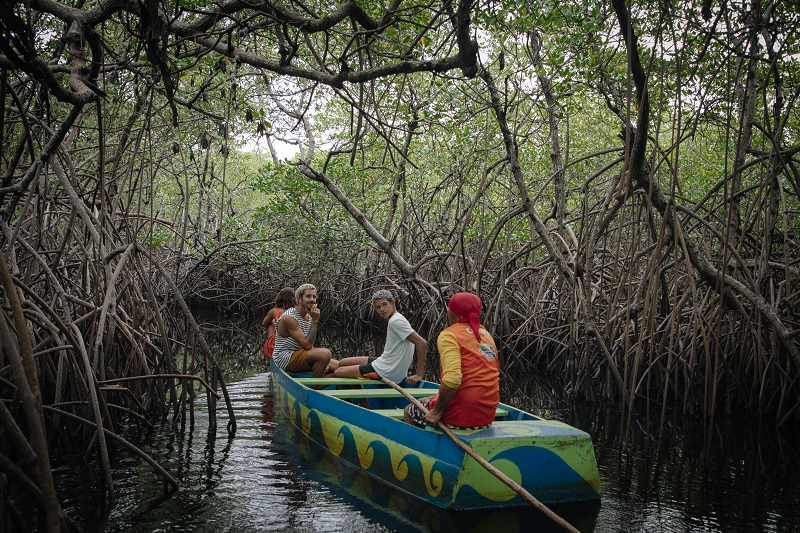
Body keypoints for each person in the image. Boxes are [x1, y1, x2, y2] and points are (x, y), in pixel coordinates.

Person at [404, 292, 500, 430]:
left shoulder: (449, 335)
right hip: (487, 413)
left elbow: (453, 379)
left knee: (410, 411)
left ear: (451, 312)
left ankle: (422, 448)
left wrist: (437, 411)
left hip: (461, 414)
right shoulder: (486, 335)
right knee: (427, 400)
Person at [327, 290, 428, 385]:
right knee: (342, 363)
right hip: (384, 363)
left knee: (338, 372)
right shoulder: (397, 318)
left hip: (387, 372)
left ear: (393, 303)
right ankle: (326, 367)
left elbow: (422, 343)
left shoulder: (396, 322)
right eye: (378, 307)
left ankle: (317, 386)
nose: (382, 309)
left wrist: (419, 374)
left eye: (384, 304)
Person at [272, 283, 332, 377]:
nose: (312, 299)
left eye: (314, 297)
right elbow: (307, 345)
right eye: (308, 296)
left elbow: (309, 343)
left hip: (301, 353)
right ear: (299, 300)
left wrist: (324, 363)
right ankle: (315, 387)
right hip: (285, 358)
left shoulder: (309, 316)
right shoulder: (289, 318)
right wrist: (315, 320)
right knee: (325, 354)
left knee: (339, 366)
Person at [262, 287, 296, 359]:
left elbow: (264, 323)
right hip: (293, 344)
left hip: (274, 348)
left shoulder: (274, 311)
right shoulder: (296, 312)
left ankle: (270, 345)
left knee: (271, 322)